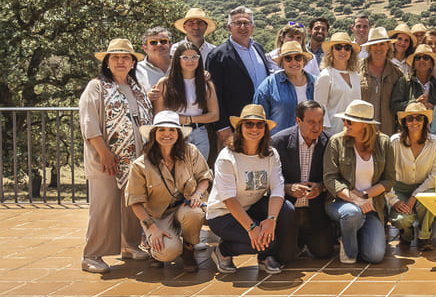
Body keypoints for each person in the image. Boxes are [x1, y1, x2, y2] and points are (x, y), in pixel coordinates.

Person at [80, 39, 155, 273]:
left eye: (126, 57)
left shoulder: (137, 86)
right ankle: (92, 255)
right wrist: (104, 152)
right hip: (104, 159)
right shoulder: (96, 87)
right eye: (115, 57)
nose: (121, 61)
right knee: (105, 207)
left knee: (132, 203)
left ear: (133, 62)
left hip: (134, 160)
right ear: (107, 62)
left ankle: (130, 245)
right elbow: (89, 122)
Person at [205, 104, 297, 275]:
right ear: (240, 128)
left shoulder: (271, 154)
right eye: (249, 124)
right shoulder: (227, 158)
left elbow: (277, 189)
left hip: (252, 205)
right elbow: (229, 199)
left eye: (259, 124)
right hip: (223, 214)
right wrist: (252, 228)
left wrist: (271, 220)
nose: (254, 128)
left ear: (265, 129)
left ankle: (265, 257)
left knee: (286, 210)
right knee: (268, 242)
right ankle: (223, 251)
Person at [126, 111, 212, 272]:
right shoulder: (140, 165)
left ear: (179, 134)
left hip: (184, 208)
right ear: (153, 134)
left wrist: (197, 194)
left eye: (172, 130)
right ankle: (156, 249)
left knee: (195, 213)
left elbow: (205, 177)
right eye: (161, 130)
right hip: (158, 216)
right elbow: (135, 202)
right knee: (168, 252)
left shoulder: (190, 151)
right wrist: (153, 228)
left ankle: (188, 249)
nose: (167, 134)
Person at [323, 100, 396, 264]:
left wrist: (364, 195)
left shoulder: (384, 143)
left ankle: (355, 234)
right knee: (352, 213)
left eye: (349, 121)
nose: (344, 123)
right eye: (344, 120)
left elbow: (389, 179)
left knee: (375, 256)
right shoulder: (336, 142)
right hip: (341, 202)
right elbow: (329, 179)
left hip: (372, 207)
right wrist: (355, 199)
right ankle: (349, 250)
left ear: (364, 125)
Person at [273, 100, 335, 260]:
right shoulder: (278, 142)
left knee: (323, 252)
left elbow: (336, 177)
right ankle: (295, 241)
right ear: (298, 121)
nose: (317, 127)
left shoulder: (330, 142)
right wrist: (287, 188)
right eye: (311, 122)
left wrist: (320, 187)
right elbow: (268, 180)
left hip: (315, 208)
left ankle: (305, 240)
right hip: (288, 209)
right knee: (284, 257)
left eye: (320, 122)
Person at [207, 6, 273, 145]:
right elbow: (213, 94)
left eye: (246, 23)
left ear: (253, 27)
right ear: (229, 27)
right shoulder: (218, 55)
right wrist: (222, 127)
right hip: (234, 125)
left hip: (261, 122)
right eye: (238, 23)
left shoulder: (259, 49)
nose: (243, 27)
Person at [388, 102, 436, 250]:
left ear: (425, 121)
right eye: (410, 118)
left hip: (425, 187)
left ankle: (424, 235)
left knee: (433, 197)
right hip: (399, 188)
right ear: (404, 122)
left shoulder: (435, 143)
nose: (415, 122)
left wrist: (415, 195)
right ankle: (406, 233)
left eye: (419, 118)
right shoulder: (394, 142)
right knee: (402, 220)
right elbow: (386, 175)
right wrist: (394, 201)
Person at [153, 41, 218, 162]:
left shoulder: (206, 84)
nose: (190, 61)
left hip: (200, 134)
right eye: (185, 58)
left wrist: (188, 119)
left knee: (199, 174)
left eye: (194, 57)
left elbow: (214, 115)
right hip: (175, 134)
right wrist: (178, 121)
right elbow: (158, 114)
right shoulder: (165, 83)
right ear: (178, 60)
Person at [253, 40, 316, 132]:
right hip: (279, 144)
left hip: (311, 142)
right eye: (288, 58)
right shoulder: (268, 86)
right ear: (282, 62)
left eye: (298, 57)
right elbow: (257, 119)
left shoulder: (316, 83)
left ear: (303, 60)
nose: (293, 62)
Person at [314, 32, 362, 135]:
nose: (343, 51)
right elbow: (320, 108)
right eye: (338, 47)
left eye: (347, 48)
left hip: (354, 131)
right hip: (333, 131)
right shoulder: (325, 76)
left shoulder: (355, 76)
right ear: (331, 51)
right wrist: (325, 133)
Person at [359, 26, 403, 136]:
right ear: (369, 47)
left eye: (382, 44)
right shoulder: (357, 69)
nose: (378, 48)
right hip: (361, 131)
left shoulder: (397, 73)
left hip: (388, 133)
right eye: (374, 44)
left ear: (388, 46)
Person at [393, 43, 436, 117]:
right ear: (414, 63)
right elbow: (394, 106)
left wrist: (433, 108)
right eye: (417, 58)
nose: (421, 60)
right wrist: (414, 103)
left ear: (431, 63)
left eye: (426, 57)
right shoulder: (404, 82)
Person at [135, 26, 172, 99]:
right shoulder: (136, 71)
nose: (159, 44)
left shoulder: (183, 66)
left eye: (163, 41)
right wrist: (146, 98)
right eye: (153, 42)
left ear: (170, 45)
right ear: (145, 48)